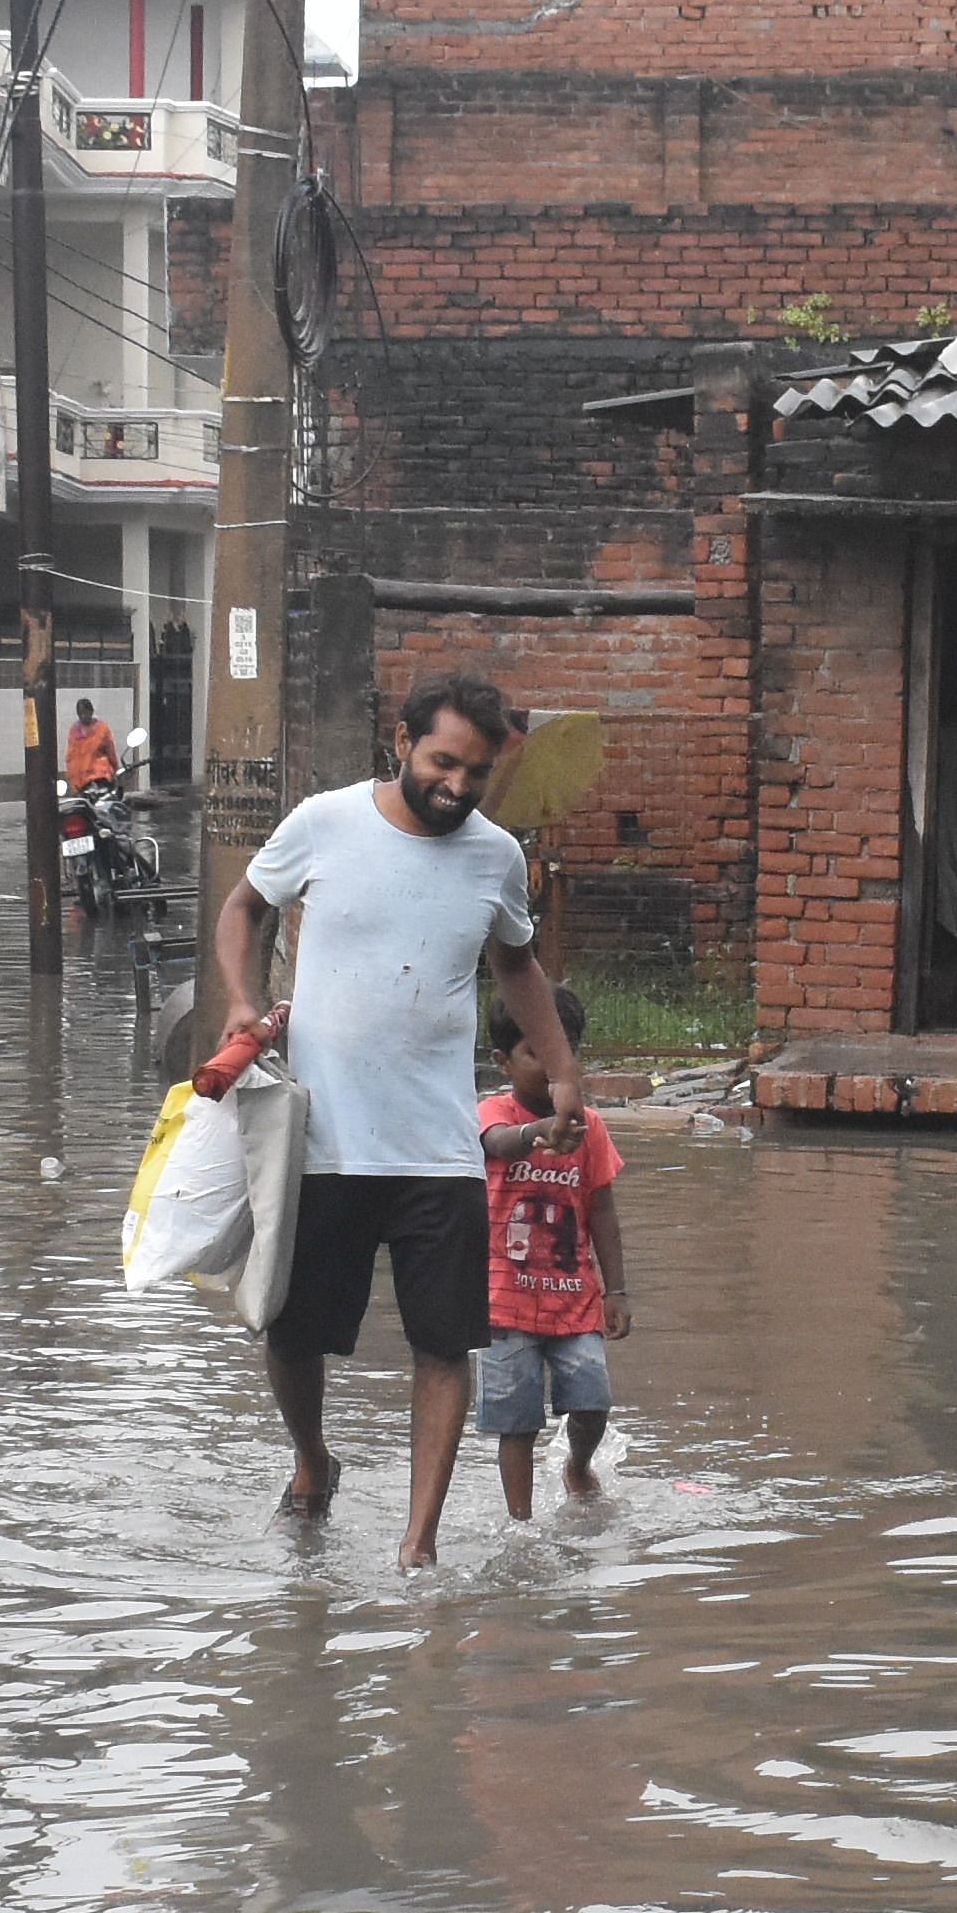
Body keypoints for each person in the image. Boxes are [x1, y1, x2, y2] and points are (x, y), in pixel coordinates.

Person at [207, 673, 588, 1571]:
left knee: (443, 1344)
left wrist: (564, 1073)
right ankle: (312, 1462)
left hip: (438, 1147)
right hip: (323, 1138)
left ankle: (415, 1547)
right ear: (404, 740)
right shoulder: (325, 821)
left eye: (476, 773)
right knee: (293, 1332)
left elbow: (519, 968)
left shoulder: (494, 856)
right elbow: (245, 907)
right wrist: (240, 998)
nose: (457, 786)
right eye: (442, 763)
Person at [474, 1040, 631, 1520]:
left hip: (575, 1299)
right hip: (504, 1300)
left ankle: (578, 1466)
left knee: (592, 1401)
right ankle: (520, 1521)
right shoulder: (492, 1112)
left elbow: (602, 1210)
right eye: (534, 1054)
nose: (550, 1067)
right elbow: (495, 1142)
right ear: (503, 1062)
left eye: (563, 1054)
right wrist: (537, 1132)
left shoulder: (591, 1127)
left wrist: (617, 1290)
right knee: (517, 1423)